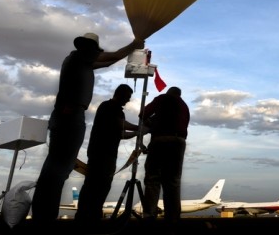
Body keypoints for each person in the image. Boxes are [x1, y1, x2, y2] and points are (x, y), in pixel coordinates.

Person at [31, 32, 143, 222]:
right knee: (58, 169)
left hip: (69, 116)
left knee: (58, 168)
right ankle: (44, 218)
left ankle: (44, 216)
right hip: (70, 116)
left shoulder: (81, 61)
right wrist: (135, 44)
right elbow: (114, 56)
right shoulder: (78, 57)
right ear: (86, 48)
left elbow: (108, 62)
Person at [73, 83, 138, 227]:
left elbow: (120, 133)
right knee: (93, 184)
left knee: (103, 185)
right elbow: (120, 124)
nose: (127, 101)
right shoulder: (107, 107)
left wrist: (137, 133)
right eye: (127, 97)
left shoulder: (117, 111)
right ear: (119, 94)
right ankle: (84, 217)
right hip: (100, 153)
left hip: (108, 155)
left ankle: (94, 215)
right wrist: (138, 127)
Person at [139, 86, 190, 230]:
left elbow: (143, 114)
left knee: (153, 179)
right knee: (173, 181)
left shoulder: (162, 98)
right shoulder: (184, 106)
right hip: (178, 142)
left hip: (160, 140)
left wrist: (151, 125)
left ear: (168, 93)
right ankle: (173, 219)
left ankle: (149, 216)